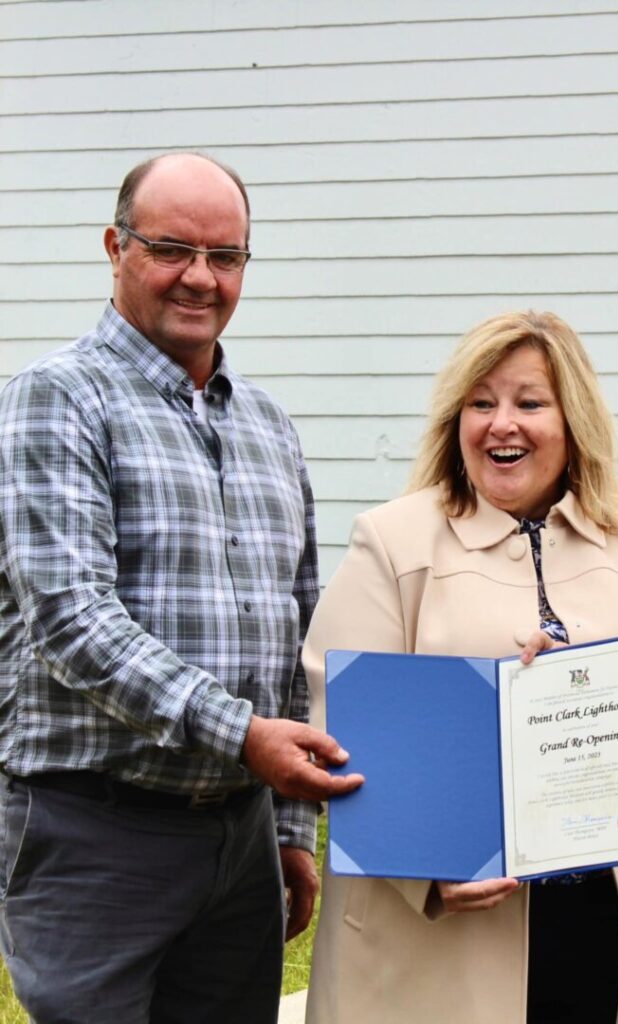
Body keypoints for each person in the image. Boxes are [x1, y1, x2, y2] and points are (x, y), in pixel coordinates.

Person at [0, 152, 363, 1024]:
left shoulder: (269, 424)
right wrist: (243, 736)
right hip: (94, 831)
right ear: (114, 248)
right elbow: (74, 621)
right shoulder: (56, 400)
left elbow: (291, 636)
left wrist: (282, 829)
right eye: (171, 248)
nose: (200, 277)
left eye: (226, 256)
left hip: (236, 843)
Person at [300, 310, 618, 1024]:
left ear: (573, 420)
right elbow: (339, 724)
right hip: (451, 934)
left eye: (530, 402)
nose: (503, 424)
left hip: (614, 921)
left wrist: (599, 694)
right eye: (481, 403)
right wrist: (428, 874)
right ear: (455, 420)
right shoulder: (393, 542)